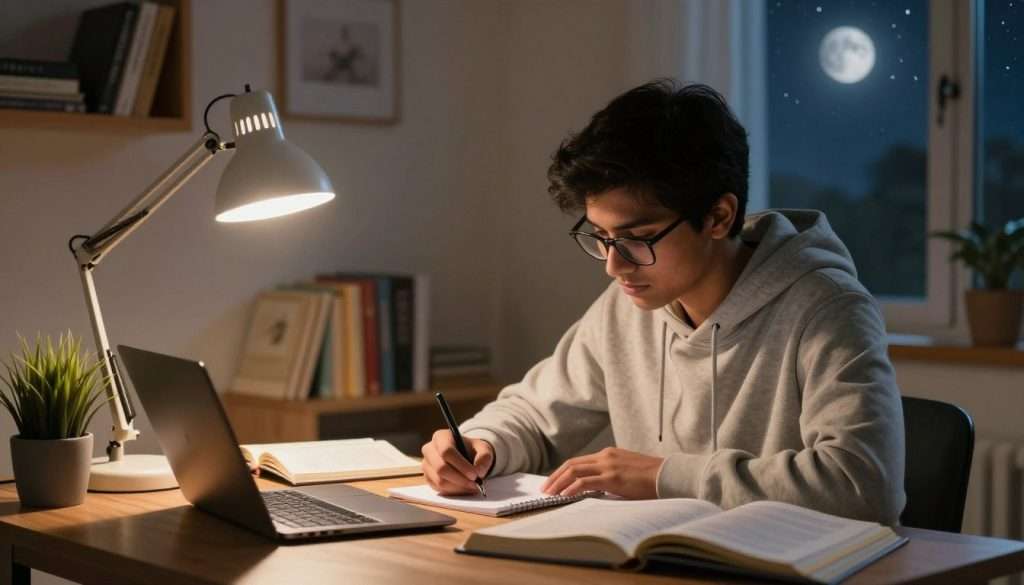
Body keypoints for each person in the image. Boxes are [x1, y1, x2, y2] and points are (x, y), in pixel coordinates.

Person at [420, 80, 905, 524]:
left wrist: (662, 476)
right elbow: (533, 413)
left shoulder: (828, 308)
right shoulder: (627, 306)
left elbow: (861, 485)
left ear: (718, 215)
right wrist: (481, 444)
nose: (615, 265)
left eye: (638, 237)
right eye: (601, 236)